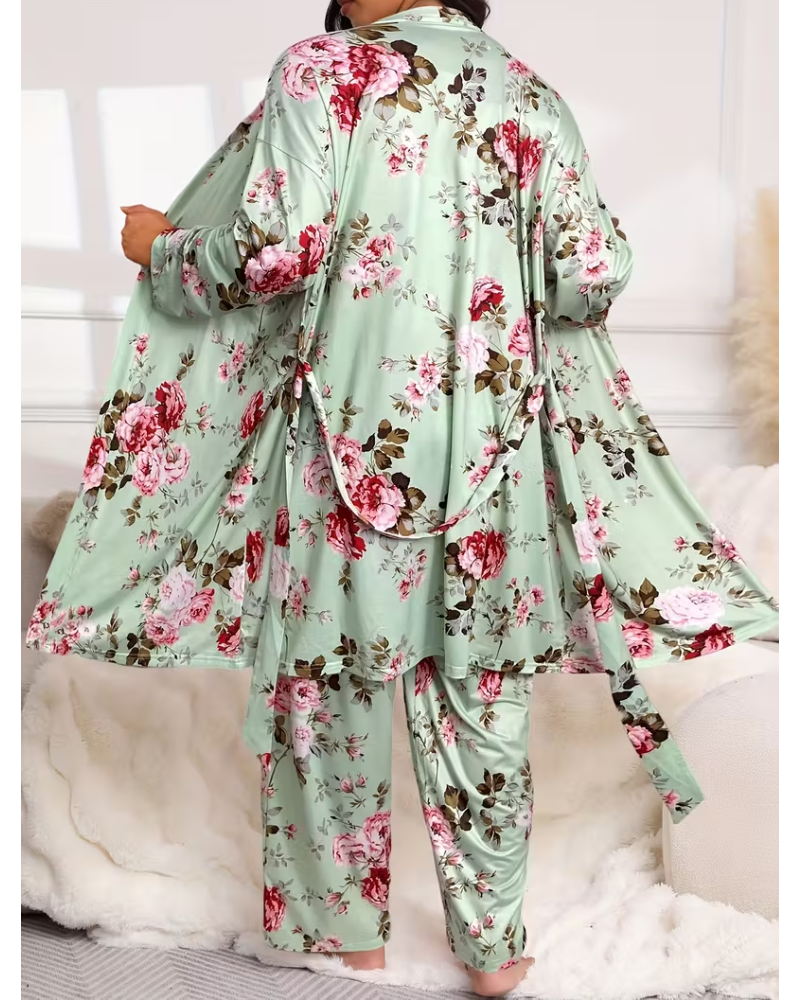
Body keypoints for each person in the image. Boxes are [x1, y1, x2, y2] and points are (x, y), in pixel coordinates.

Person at [27, 0, 779, 996]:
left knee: (324, 685)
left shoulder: (323, 71)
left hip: (349, 443)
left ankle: (347, 941)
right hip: (499, 451)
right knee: (480, 695)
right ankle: (495, 947)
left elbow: (273, 253)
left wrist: (160, 247)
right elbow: (592, 277)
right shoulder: (528, 94)